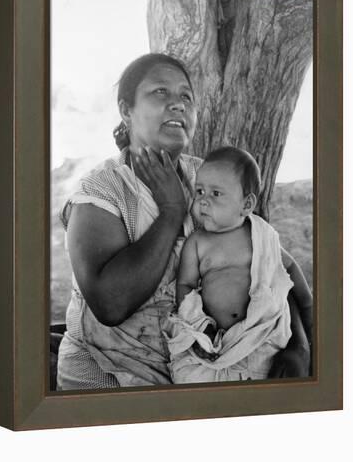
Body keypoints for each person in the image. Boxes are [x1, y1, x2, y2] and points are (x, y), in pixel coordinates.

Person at [56, 53, 310, 390]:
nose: (178, 104)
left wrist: (298, 346)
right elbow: (110, 305)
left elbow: (267, 263)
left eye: (186, 96)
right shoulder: (100, 192)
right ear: (126, 109)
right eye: (160, 92)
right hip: (111, 375)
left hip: (206, 367)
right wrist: (172, 209)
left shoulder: (207, 178)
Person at [164, 147, 313, 383]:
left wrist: (308, 309)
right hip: (212, 339)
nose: (203, 200)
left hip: (260, 335)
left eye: (216, 194)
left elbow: (290, 269)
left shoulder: (261, 235)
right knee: (193, 378)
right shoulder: (198, 242)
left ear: (246, 205)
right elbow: (185, 285)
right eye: (200, 191)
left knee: (269, 379)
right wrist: (199, 327)